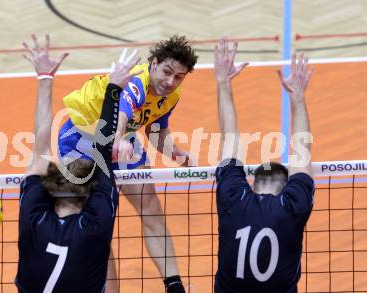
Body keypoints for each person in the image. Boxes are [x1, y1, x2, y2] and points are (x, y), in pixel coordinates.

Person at [58, 36, 198, 292]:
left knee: (151, 205)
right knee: (98, 225)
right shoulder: (137, 82)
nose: (170, 82)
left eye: (178, 77)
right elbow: (122, 111)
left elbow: (156, 131)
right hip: (81, 142)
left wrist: (175, 151)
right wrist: (119, 138)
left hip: (122, 142)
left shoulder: (171, 96)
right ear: (153, 64)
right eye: (167, 72)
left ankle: (174, 285)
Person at [15, 34, 141, 293]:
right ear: (87, 197)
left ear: (50, 190)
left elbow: (40, 146)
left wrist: (44, 78)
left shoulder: (35, 217)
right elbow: (104, 148)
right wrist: (114, 87)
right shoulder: (95, 227)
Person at [214, 37, 315, 292]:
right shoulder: (293, 206)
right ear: (285, 188)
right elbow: (301, 153)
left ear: (253, 184)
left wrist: (223, 83)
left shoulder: (234, 198)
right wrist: (298, 98)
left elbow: (230, 139)